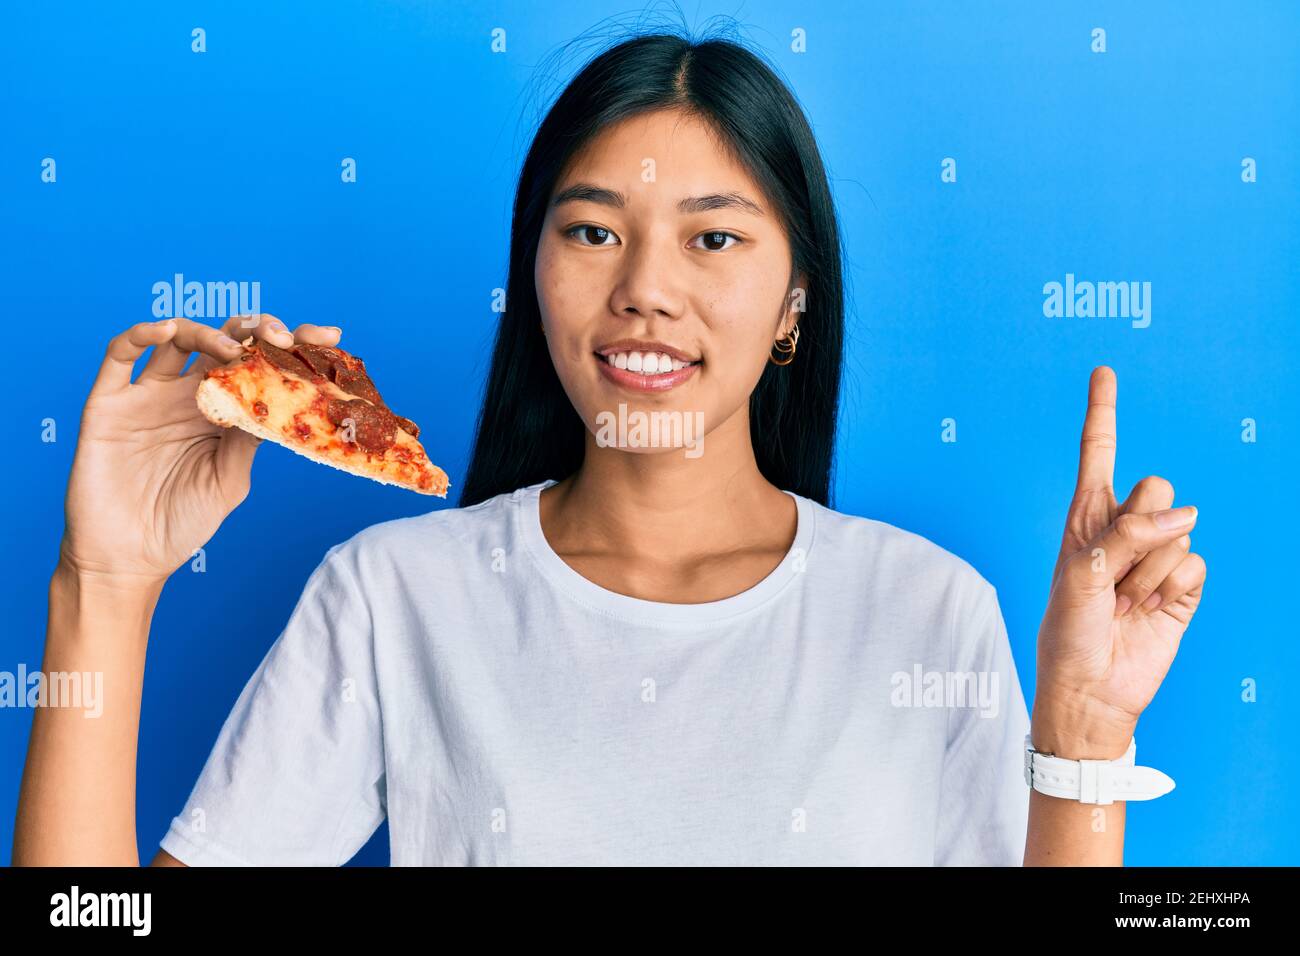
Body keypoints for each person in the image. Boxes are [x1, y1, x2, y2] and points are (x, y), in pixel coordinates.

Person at [13, 32, 1205, 867]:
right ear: (531, 270)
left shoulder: (927, 611)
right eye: (592, 229)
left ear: (796, 299)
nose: (643, 289)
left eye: (713, 241)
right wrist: (103, 585)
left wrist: (1086, 746)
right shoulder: (396, 594)